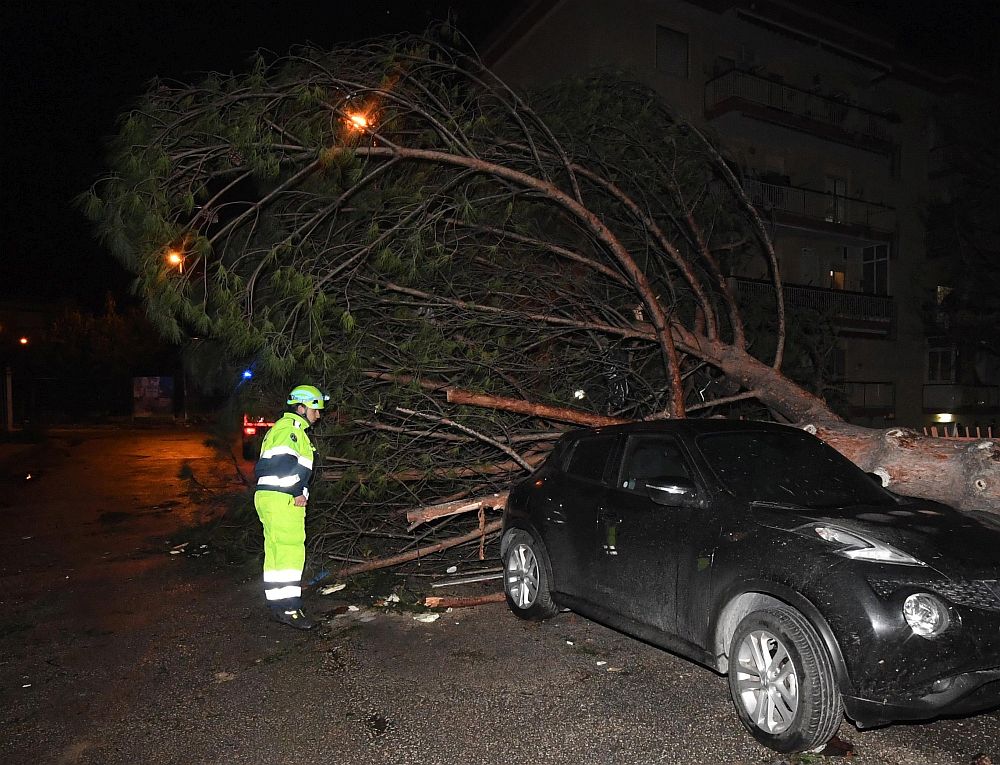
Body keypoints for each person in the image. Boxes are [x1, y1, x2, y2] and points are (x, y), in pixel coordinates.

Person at [253, 384, 328, 629]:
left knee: (276, 555)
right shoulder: (291, 431)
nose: (318, 415)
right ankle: (290, 609)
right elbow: (280, 465)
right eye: (315, 410)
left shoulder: (283, 428)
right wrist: (297, 491)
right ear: (301, 408)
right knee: (290, 554)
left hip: (270, 498)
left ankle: (278, 607)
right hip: (283, 499)